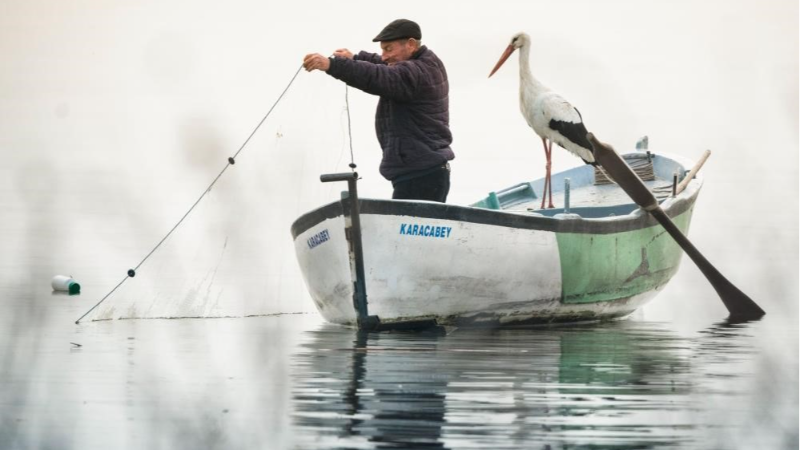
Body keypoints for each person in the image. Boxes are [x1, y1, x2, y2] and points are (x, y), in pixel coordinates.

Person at [303, 19, 454, 203]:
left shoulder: (416, 72)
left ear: (411, 44)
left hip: (421, 176)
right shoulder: (425, 62)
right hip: (424, 171)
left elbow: (378, 75)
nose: (383, 56)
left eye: (388, 49)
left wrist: (332, 65)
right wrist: (356, 58)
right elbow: (383, 65)